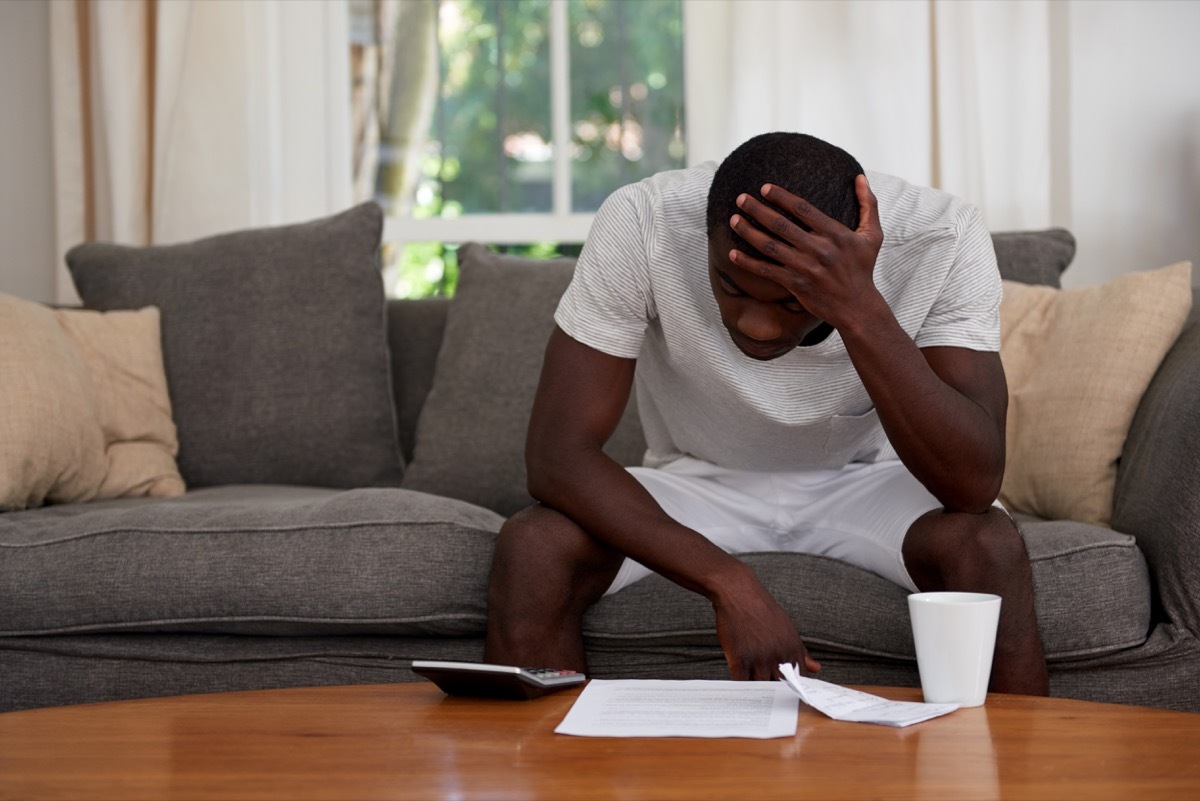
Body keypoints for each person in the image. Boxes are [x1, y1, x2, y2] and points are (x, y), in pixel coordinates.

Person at [484, 131, 1049, 695]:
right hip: (697, 480)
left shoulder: (941, 234)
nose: (757, 325)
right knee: (535, 545)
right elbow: (556, 456)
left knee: (988, 547)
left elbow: (973, 482)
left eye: (790, 301)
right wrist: (730, 583)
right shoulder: (646, 219)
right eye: (730, 286)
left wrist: (857, 306)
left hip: (867, 483)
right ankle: (548, 777)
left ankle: (1011, 780)